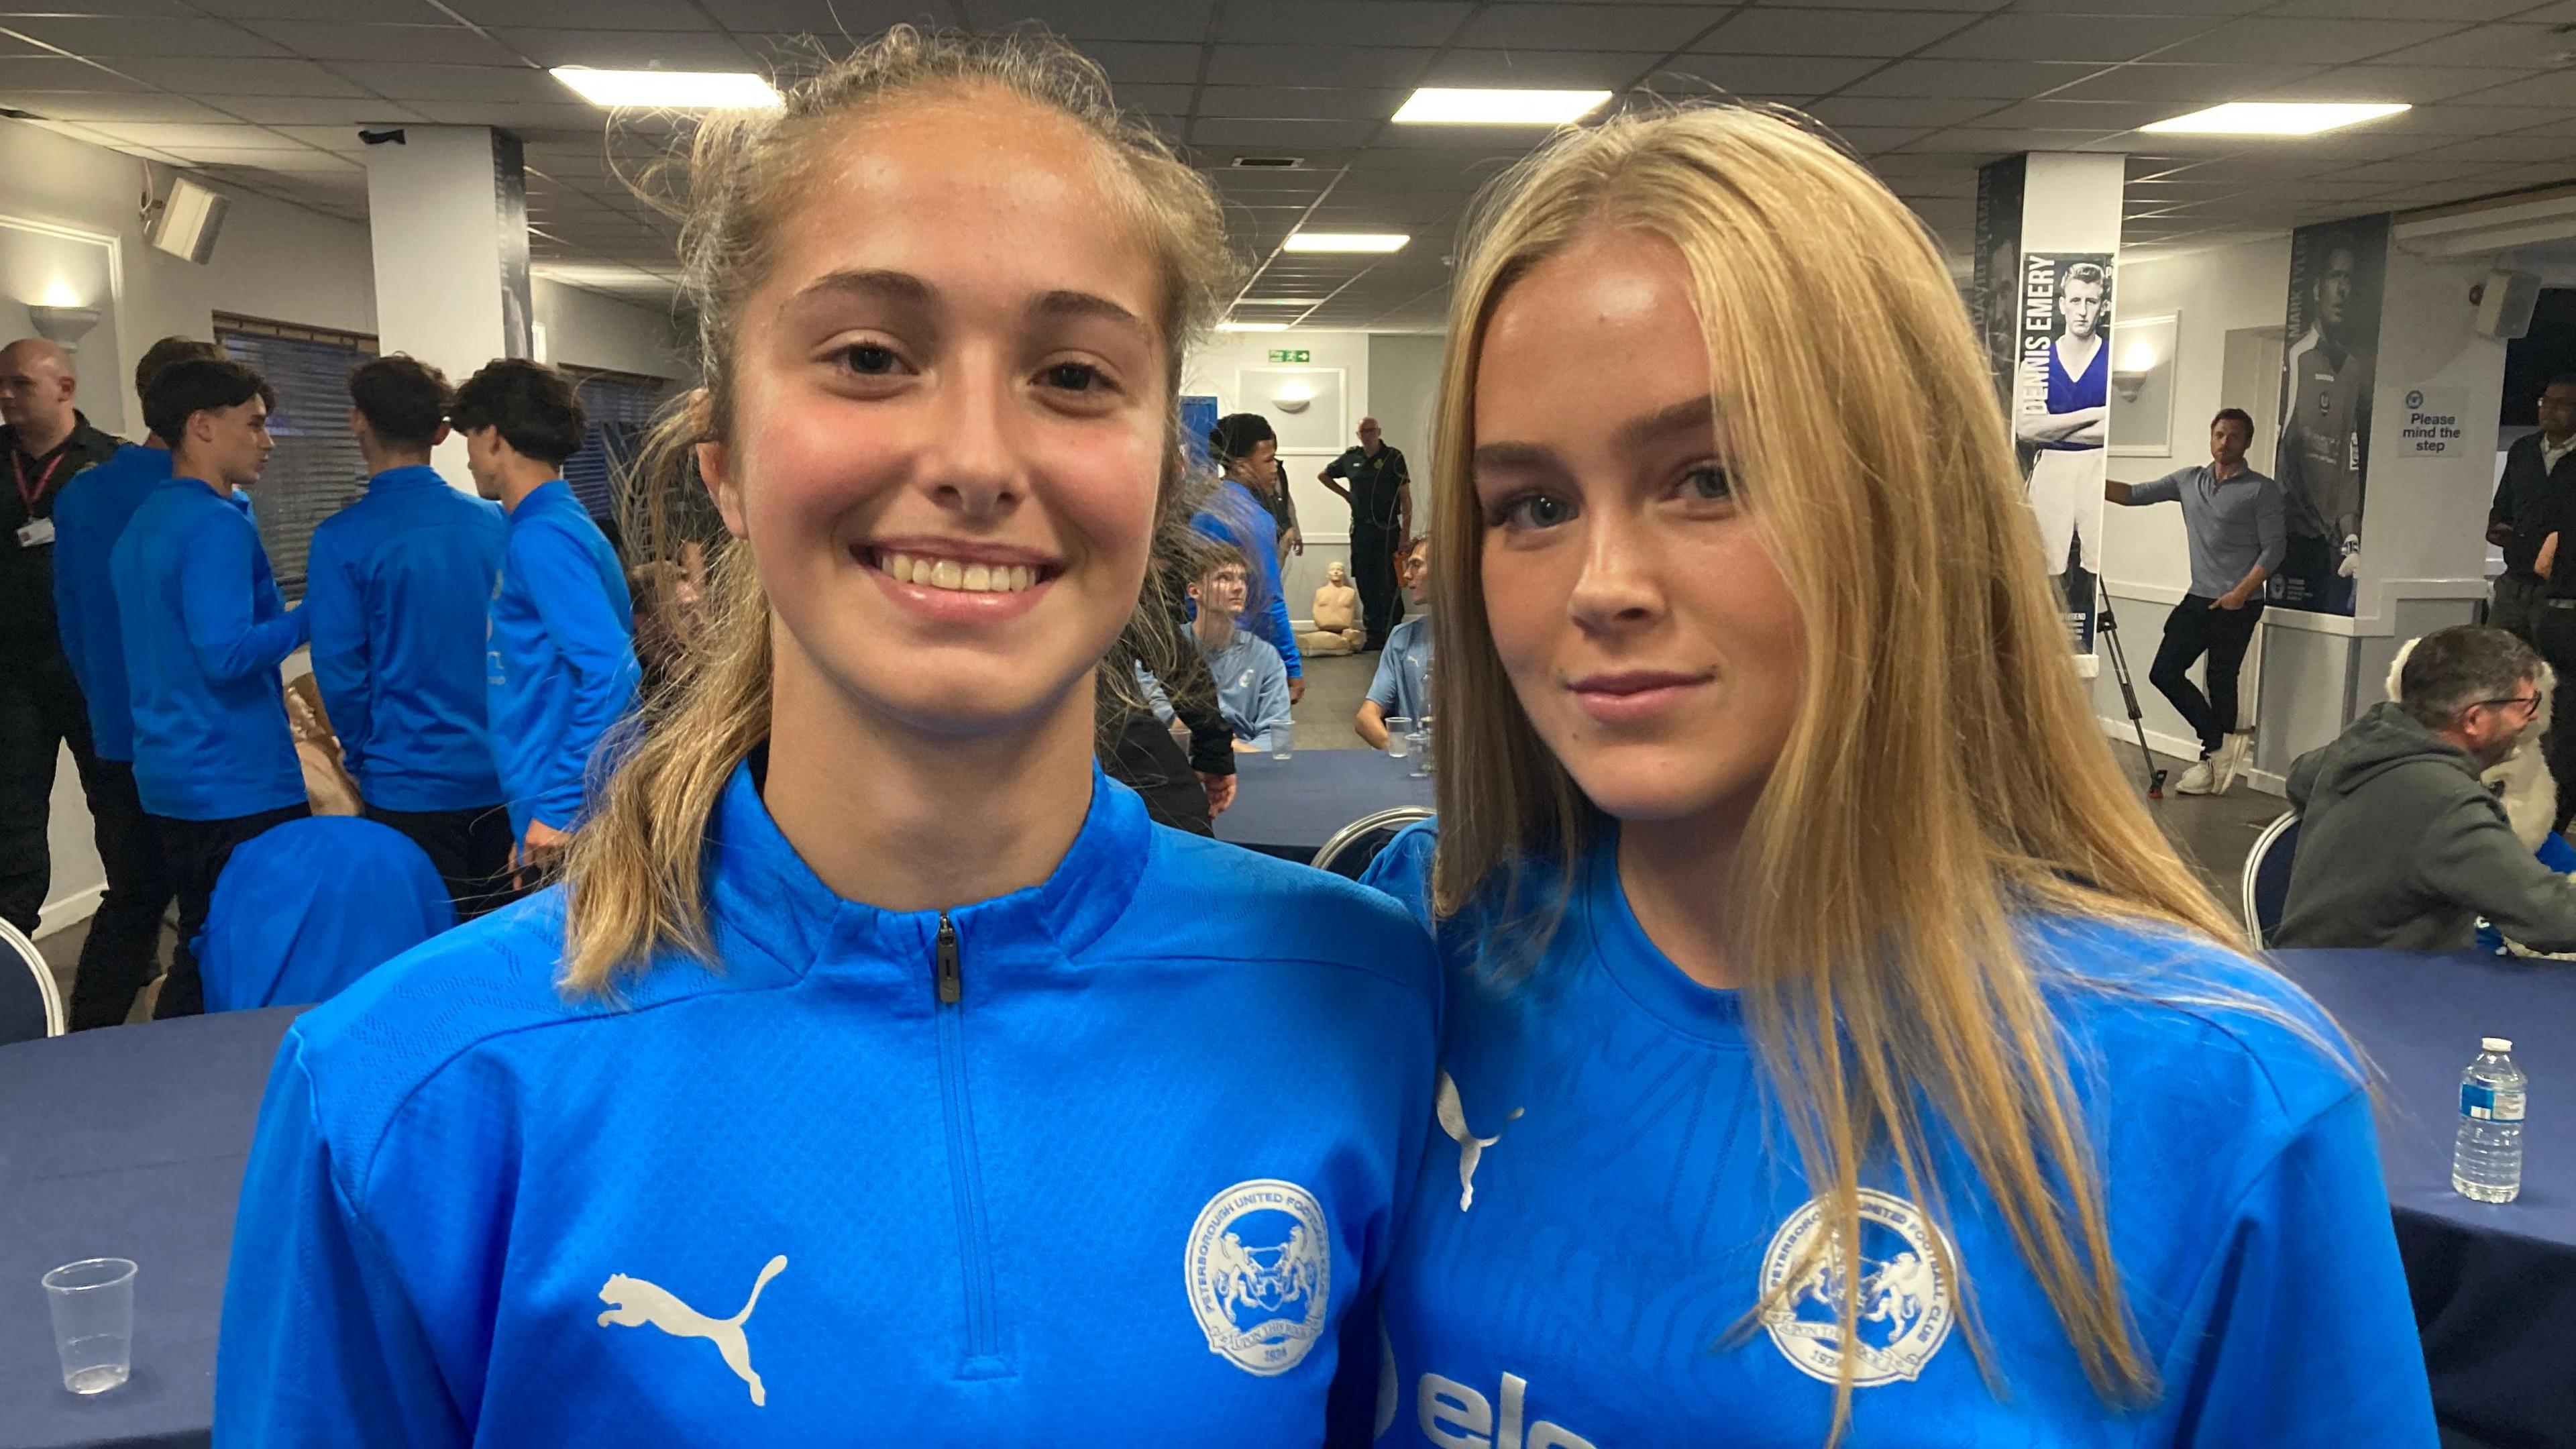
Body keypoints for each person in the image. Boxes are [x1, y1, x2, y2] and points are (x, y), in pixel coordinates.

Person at [217, 28, 1437, 1442]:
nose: (977, 459)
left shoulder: (1360, 1003)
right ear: (725, 469)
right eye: (869, 355)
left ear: (1160, 479)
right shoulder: (413, 1095)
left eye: (1076, 375)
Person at [1344, 104, 2430, 1446]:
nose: (1601, 586)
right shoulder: (1424, 947)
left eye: (1710, 477)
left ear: (1903, 499)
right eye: (1534, 506)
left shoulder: (2211, 1093)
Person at [111, 356, 308, 1020]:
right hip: (236, 780)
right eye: (253, 425)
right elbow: (225, 655)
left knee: (204, 940)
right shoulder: (216, 525)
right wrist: (316, 613)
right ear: (201, 426)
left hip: (173, 775)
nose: (267, 440)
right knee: (247, 949)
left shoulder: (143, 526)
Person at [46, 336, 218, 1028]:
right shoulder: (203, 502)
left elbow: (71, 623)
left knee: (132, 894)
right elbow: (218, 641)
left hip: (112, 732)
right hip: (195, 742)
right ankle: (198, 1045)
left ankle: (85, 1039)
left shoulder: (82, 494)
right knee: (212, 904)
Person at [304, 355, 515, 916]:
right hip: (504, 773)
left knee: (423, 951)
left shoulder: (340, 541)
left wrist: (365, 754)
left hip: (406, 781)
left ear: (357, 422)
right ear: (442, 432)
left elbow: (341, 672)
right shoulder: (498, 525)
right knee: (502, 946)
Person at [2277, 625, 2576, 951]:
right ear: (2474, 720)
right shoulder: (2447, 804)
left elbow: (2299, 778)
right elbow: (2553, 917)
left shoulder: (2363, 743)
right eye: (2526, 705)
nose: (2530, 720)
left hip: (2307, 974)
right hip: (2379, 992)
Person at [455, 358, 640, 878]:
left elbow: (612, 672)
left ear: (493, 437)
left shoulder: (545, 538)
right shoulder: (550, 526)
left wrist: (559, 810)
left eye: (470, 440)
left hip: (575, 815)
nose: (469, 460)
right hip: (557, 811)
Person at [0, 336, 124, 950]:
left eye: (19, 384)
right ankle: (13, 964)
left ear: (64, 389)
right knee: (12, 825)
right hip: (11, 676)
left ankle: (128, 938)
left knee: (119, 812)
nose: (5, 396)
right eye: (1, 384)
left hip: (91, 672)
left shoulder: (110, 464)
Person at [2106, 409, 2286, 796]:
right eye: (2219, 435)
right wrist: (2085, 481)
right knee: (2164, 672)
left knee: (2221, 679)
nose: (2225, 443)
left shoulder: (2261, 490)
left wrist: (2241, 593)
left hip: (2240, 601)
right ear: (2211, 437)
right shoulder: (2189, 480)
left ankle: (2210, 762)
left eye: (2234, 437)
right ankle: (2221, 743)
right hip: (2199, 595)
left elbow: (2274, 549)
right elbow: (2134, 495)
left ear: (2247, 442)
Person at [2276, 235, 2369, 610]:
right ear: (2317, 288)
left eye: (2349, 280)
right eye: (2335, 277)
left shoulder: (2352, 368)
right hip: (2296, 534)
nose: (2342, 289)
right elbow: (2285, 447)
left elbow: (2350, 455)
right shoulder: (2297, 357)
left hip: (2333, 543)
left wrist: (2351, 538)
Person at [2015, 260, 2108, 590]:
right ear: (2061, 305)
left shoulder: (2111, 359)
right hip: (2052, 468)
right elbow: (2026, 429)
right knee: (2045, 567)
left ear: (2102, 306)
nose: (2082, 311)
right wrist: (2093, 413)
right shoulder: (2039, 360)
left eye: (2091, 301)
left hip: (2097, 468)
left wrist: (2053, 426)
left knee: (2096, 565)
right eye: (2075, 301)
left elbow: (2111, 432)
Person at [1200, 411, 1305, 702]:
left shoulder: (1207, 508)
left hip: (1203, 651)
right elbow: (1270, 598)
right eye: (1269, 460)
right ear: (1242, 466)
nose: (1275, 469)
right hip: (1239, 656)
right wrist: (1291, 665)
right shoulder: (1252, 518)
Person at [1148, 543, 1292, 753]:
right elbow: (1155, 713)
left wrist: (1227, 749)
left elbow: (1279, 739)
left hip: (1248, 760)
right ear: (1194, 590)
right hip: (1181, 761)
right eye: (1223, 578)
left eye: (1242, 578)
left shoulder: (1265, 656)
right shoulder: (1166, 649)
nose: (1238, 587)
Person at [2487, 372, 2576, 641]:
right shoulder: (2524, 450)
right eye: (2545, 402)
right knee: (2494, 662)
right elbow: (2503, 504)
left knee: (2552, 670)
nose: (2549, 410)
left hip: (2562, 590)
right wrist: (2498, 527)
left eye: (2561, 404)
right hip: (2514, 581)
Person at [1319, 415, 1411, 649]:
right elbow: (1324, 475)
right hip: (1361, 530)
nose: (1368, 435)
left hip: (1388, 530)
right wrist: (1347, 496)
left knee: (1389, 583)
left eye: (1372, 431)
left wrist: (1405, 535)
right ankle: (1374, 636)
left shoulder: (1394, 457)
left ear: (1378, 432)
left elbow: (1406, 499)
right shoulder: (1351, 458)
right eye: (1363, 432)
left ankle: (1394, 635)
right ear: (1359, 435)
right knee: (1366, 581)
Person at [1356, 533, 1431, 749]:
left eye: (1416, 565)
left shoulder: (1488, 644)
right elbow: (1365, 718)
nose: (1406, 575)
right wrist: (1405, 753)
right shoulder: (1403, 638)